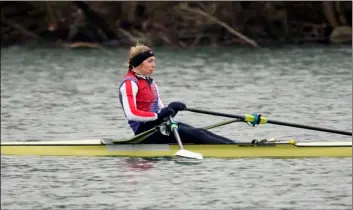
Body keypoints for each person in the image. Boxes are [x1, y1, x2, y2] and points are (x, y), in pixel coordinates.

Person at [118, 44, 236, 144]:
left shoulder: (151, 83)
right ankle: (234, 150)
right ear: (138, 63)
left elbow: (162, 110)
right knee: (197, 134)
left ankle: (236, 146)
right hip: (145, 133)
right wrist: (158, 116)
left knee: (201, 132)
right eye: (150, 61)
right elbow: (131, 114)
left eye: (154, 61)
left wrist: (172, 109)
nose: (154, 65)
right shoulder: (129, 83)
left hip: (159, 126)